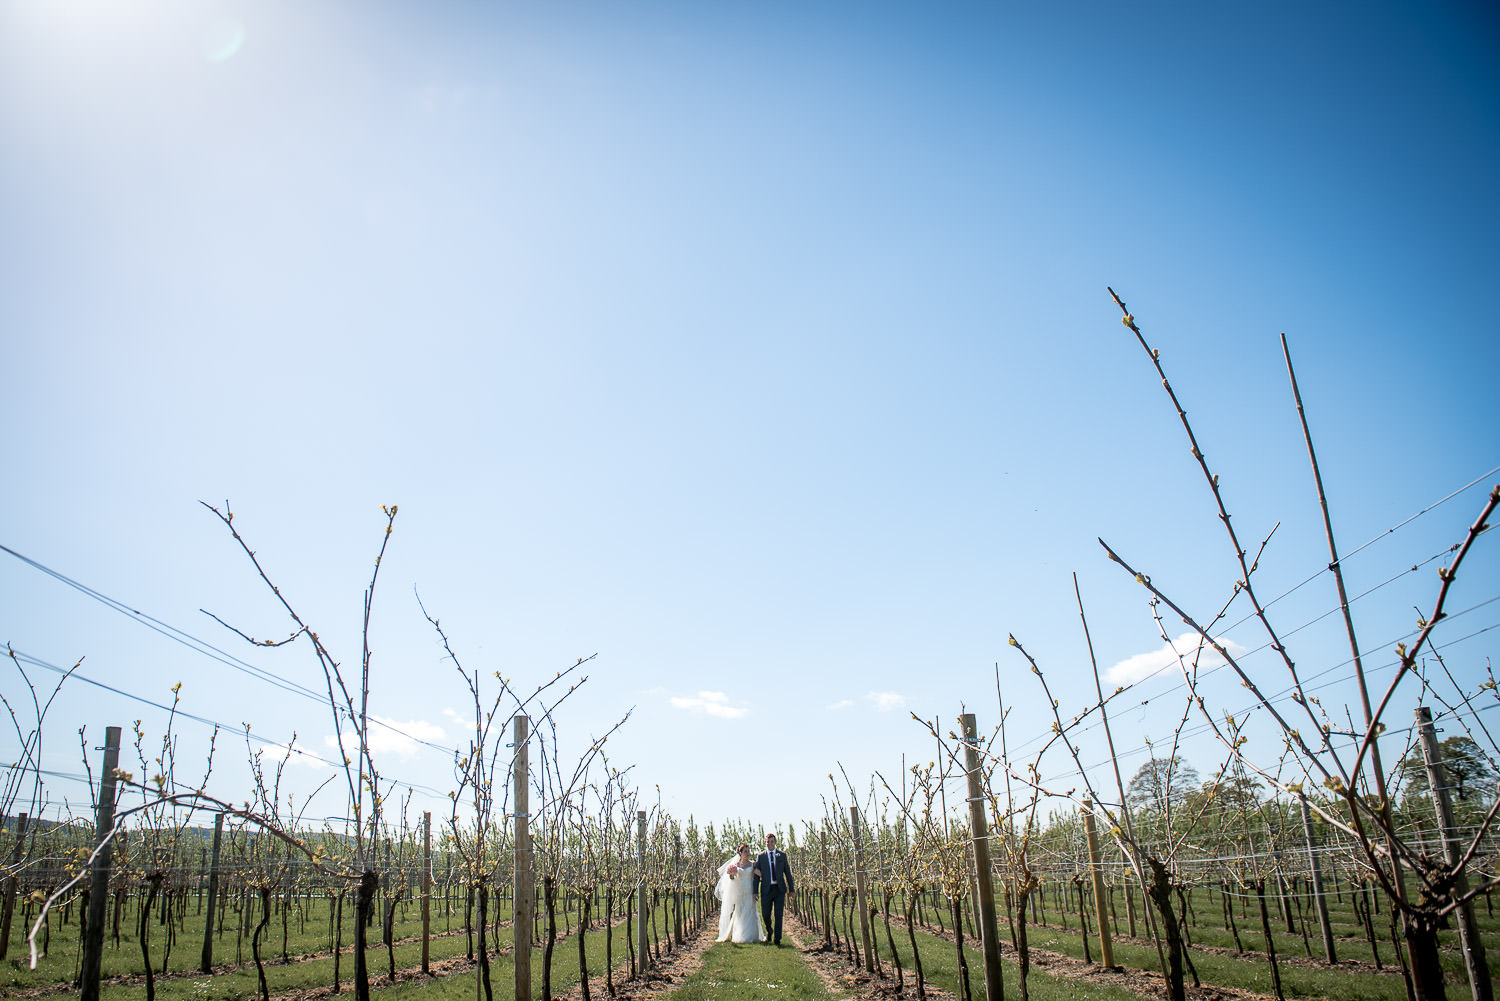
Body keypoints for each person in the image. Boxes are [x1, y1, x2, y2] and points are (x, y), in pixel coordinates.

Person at [714, 844, 764, 943]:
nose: (748, 853)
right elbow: (732, 879)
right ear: (740, 853)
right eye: (745, 851)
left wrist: (759, 874)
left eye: (748, 851)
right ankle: (740, 933)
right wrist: (731, 875)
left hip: (749, 890)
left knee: (750, 911)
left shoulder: (753, 864)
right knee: (740, 912)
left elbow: (760, 875)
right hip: (740, 891)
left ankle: (751, 935)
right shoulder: (735, 865)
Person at [752, 833, 794, 945]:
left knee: (779, 914)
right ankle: (769, 930)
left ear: (775, 842)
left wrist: (791, 889)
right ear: (765, 842)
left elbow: (788, 873)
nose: (770, 843)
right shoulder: (761, 856)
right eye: (768, 841)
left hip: (779, 889)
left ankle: (777, 939)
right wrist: (755, 891)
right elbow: (756, 875)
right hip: (766, 889)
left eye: (772, 841)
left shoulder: (782, 855)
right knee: (766, 914)